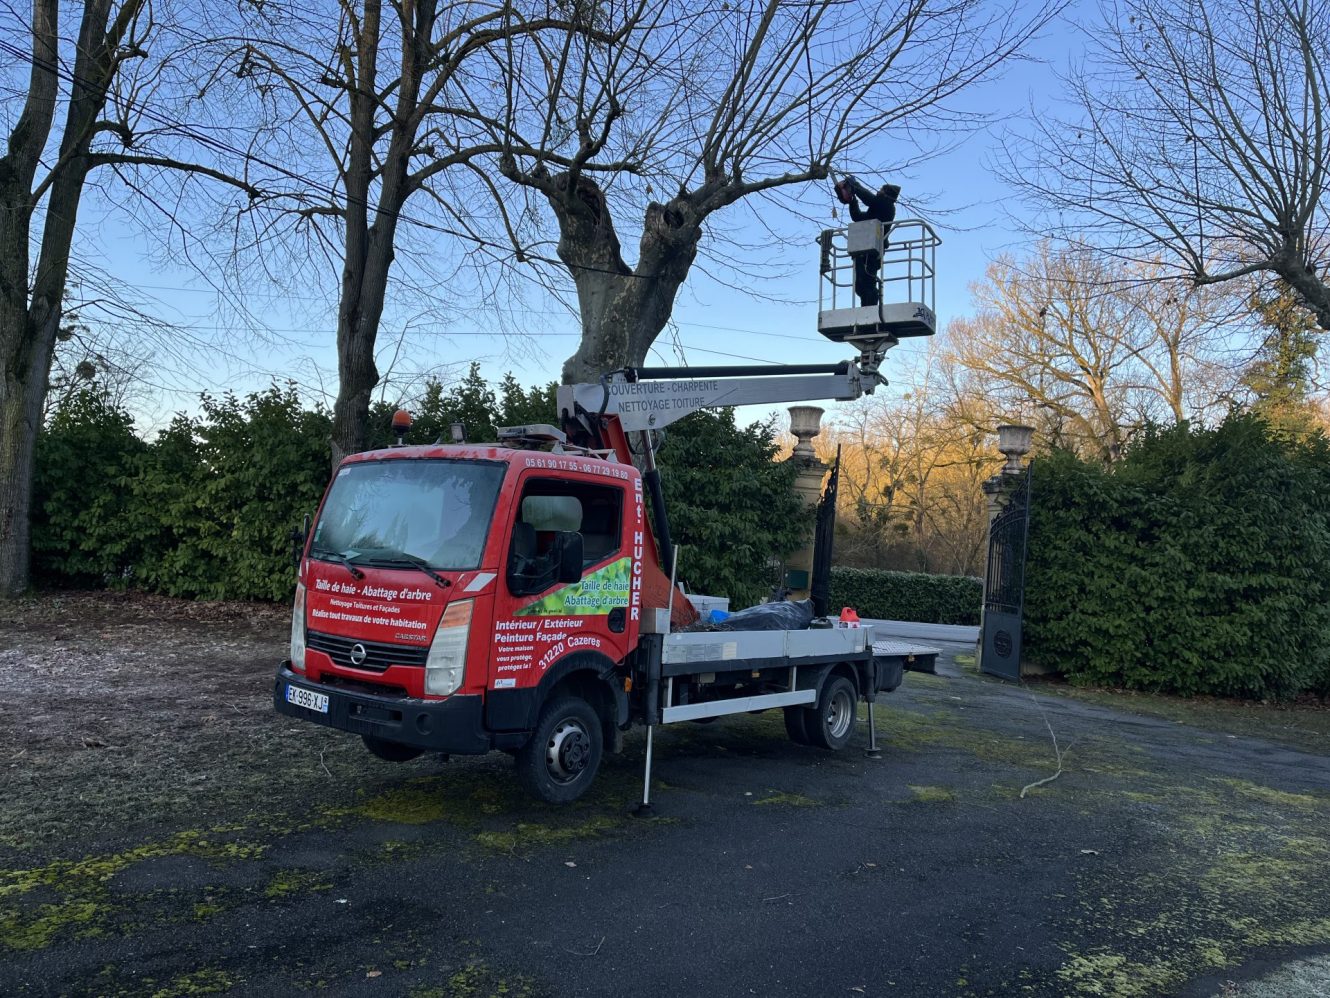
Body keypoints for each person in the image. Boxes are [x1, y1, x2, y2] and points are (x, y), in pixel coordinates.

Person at [835, 177, 901, 307]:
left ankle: (870, 309)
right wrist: (852, 201)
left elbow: (869, 199)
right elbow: (858, 217)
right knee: (860, 286)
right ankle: (866, 309)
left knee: (867, 282)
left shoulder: (886, 206)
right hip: (863, 250)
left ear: (886, 194)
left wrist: (854, 185)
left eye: (881, 190)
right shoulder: (876, 208)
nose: (879, 191)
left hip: (872, 252)